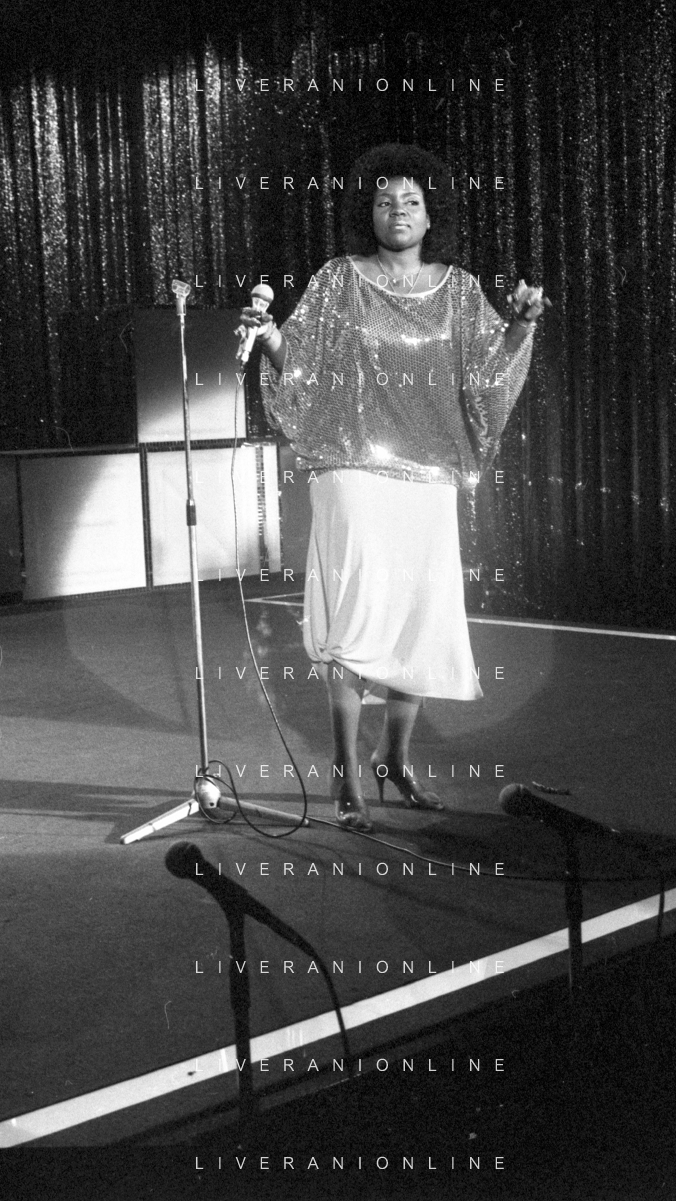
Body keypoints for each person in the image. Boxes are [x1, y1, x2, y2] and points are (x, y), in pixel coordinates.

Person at [245, 144, 546, 833]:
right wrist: (269, 337)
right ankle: (345, 773)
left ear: (432, 214)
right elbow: (303, 365)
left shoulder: (460, 289)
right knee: (356, 619)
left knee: (417, 616)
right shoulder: (337, 280)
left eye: (411, 200)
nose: (398, 210)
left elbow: (487, 377)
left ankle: (393, 757)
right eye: (385, 201)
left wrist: (522, 323)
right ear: (368, 212)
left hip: (427, 474)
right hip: (351, 466)